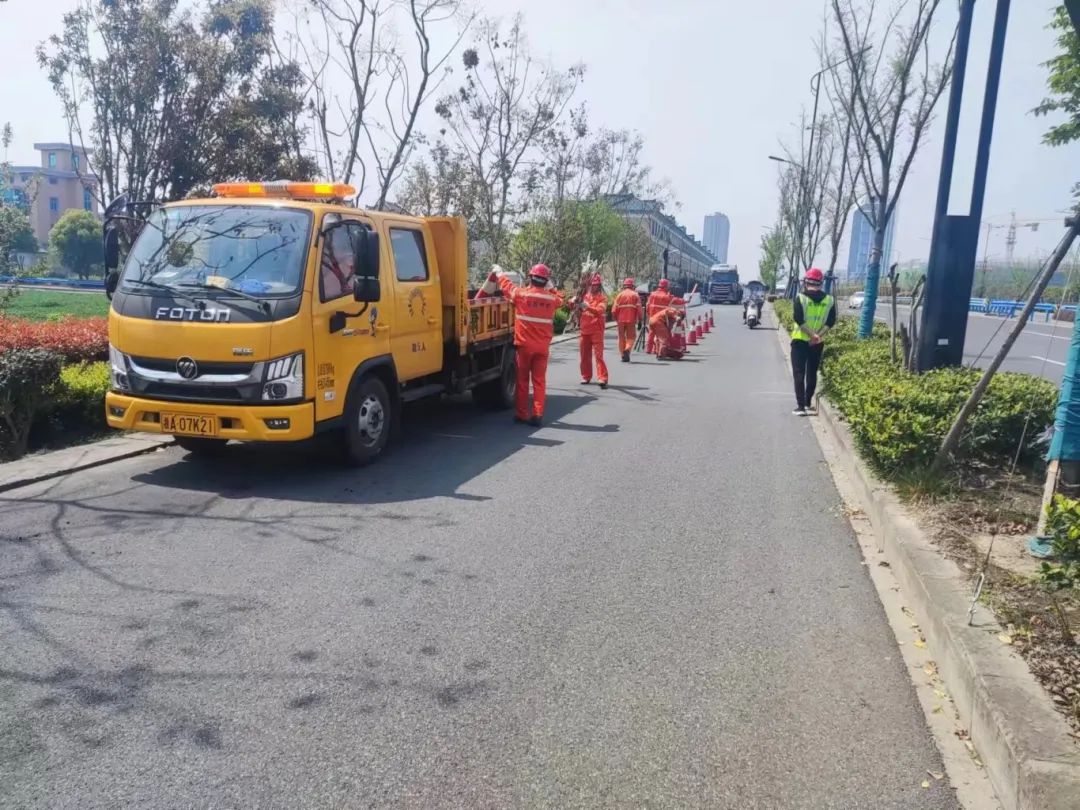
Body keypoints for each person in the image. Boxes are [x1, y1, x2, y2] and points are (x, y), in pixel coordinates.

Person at [494, 264, 563, 426]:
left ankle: (522, 414)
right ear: (546, 281)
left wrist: (500, 274)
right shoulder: (551, 299)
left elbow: (508, 288)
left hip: (524, 347)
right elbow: (561, 298)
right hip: (542, 347)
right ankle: (538, 414)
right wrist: (551, 288)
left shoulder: (522, 294)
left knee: (523, 380)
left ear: (531, 278)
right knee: (539, 381)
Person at [790, 267, 836, 416]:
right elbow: (831, 321)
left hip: (800, 340)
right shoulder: (829, 300)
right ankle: (807, 402)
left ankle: (800, 407)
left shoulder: (800, 298)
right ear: (820, 283)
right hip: (817, 343)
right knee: (812, 372)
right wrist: (817, 336)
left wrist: (811, 335)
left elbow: (798, 319)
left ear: (806, 282)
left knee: (799, 373)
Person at [573, 273, 609, 388]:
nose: (593, 287)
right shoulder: (584, 296)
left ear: (599, 286)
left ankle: (602, 378)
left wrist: (587, 306)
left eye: (595, 285)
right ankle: (586, 376)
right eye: (592, 285)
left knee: (599, 356)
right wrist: (573, 302)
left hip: (597, 330)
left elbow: (599, 311)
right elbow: (575, 308)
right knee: (584, 356)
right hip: (584, 330)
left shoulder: (603, 299)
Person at [612, 277, 643, 362]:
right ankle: (627, 349)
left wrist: (616, 319)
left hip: (620, 320)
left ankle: (623, 355)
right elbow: (639, 309)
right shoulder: (635, 295)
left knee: (621, 338)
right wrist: (640, 320)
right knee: (631, 337)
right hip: (631, 320)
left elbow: (614, 310)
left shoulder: (619, 295)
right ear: (632, 286)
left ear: (624, 286)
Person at [645, 278, 673, 354]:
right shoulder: (666, 296)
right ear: (666, 287)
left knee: (651, 333)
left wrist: (649, 314)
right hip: (661, 319)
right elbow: (673, 303)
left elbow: (647, 305)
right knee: (660, 335)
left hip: (652, 317)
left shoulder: (652, 294)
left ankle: (648, 349)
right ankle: (656, 350)